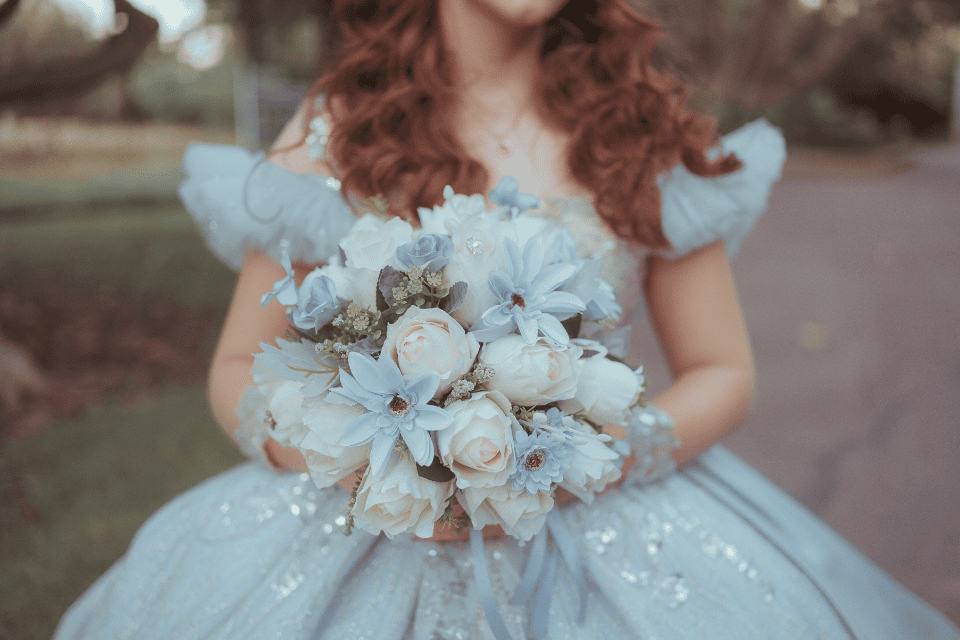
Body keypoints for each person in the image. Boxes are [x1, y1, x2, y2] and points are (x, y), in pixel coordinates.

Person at [54, 1, 960, 638]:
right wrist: (352, 464)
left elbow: (724, 371)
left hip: (600, 517)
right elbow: (237, 366)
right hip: (358, 519)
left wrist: (581, 465)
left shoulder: (645, 135)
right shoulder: (340, 130)